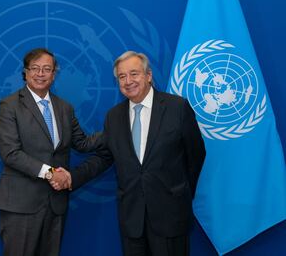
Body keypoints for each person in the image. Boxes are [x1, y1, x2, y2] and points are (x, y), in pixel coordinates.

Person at [52, 51, 205, 256]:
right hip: (132, 219)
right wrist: (72, 177)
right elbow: (105, 157)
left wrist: (180, 192)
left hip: (171, 215)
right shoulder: (114, 116)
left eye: (134, 74)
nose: (128, 81)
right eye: (122, 76)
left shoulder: (177, 107)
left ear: (148, 75)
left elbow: (196, 154)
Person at [0, 48, 101, 256]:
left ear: (54, 74)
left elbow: (83, 143)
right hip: (21, 205)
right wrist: (51, 173)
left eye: (46, 69)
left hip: (55, 204)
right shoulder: (10, 105)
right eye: (35, 68)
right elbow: (10, 153)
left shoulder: (64, 108)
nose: (40, 74)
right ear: (25, 72)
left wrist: (117, 129)